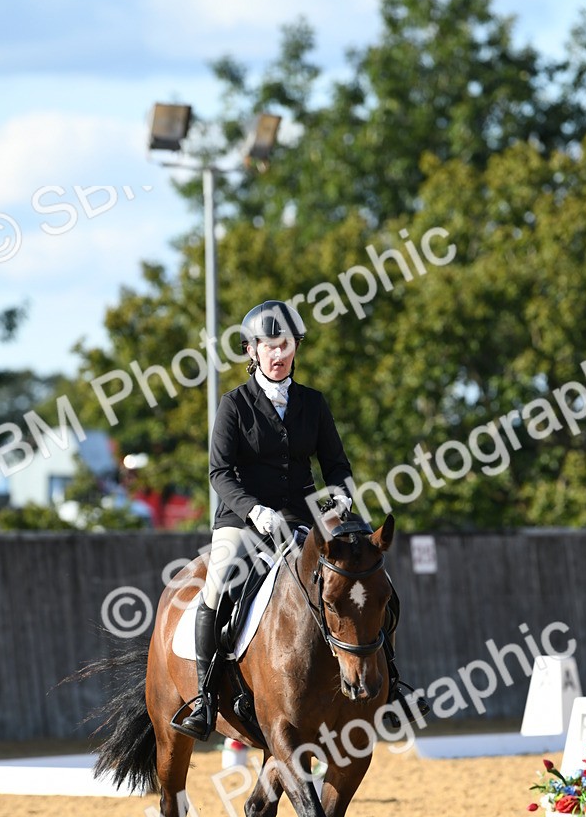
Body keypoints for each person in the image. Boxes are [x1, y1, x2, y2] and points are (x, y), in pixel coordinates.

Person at [173, 299, 420, 741]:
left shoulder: (312, 403)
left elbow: (336, 464)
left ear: (295, 347)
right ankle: (206, 700)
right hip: (243, 520)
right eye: (268, 345)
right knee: (217, 587)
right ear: (252, 351)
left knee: (370, 577)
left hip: (307, 518)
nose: (278, 353)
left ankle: (394, 686)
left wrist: (340, 500)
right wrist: (254, 510)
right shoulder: (234, 405)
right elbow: (219, 473)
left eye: (285, 343)